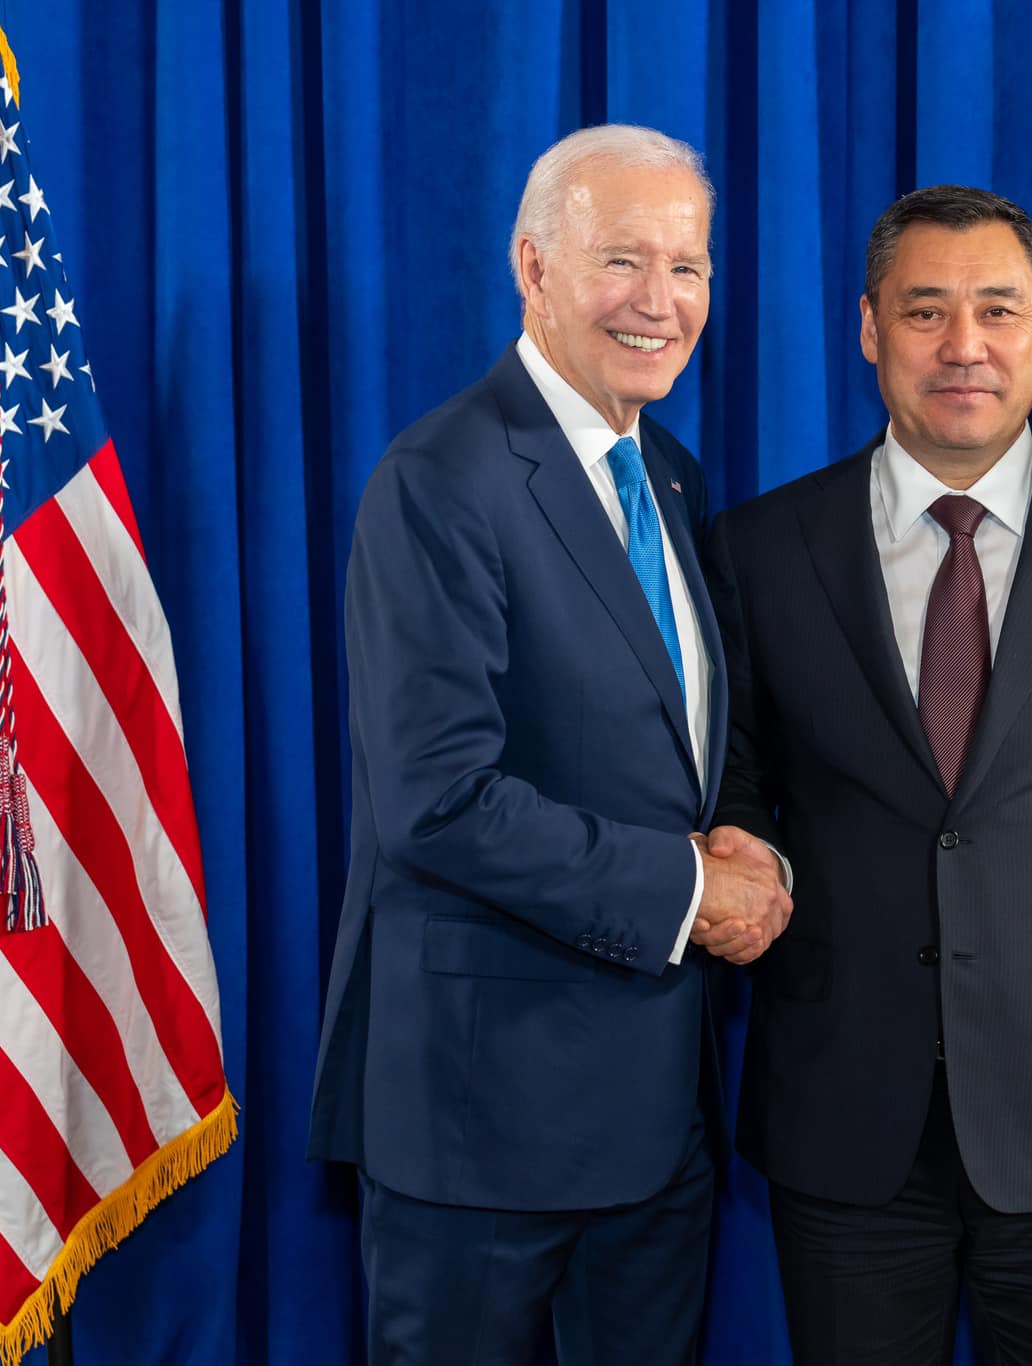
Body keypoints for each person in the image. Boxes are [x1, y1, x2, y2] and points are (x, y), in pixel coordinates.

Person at [704, 185, 1032, 1366]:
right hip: (840, 1106)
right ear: (867, 327)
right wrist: (739, 857)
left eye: (996, 309)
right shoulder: (758, 547)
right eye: (924, 310)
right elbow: (733, 784)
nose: (963, 346)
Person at [306, 125, 791, 1366]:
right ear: (533, 268)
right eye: (621, 260)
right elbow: (438, 799)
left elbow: (679, 738)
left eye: (687, 267)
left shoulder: (666, 472)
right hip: (484, 1125)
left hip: (658, 1117)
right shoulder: (442, 477)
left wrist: (742, 846)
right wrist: (688, 888)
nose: (659, 301)